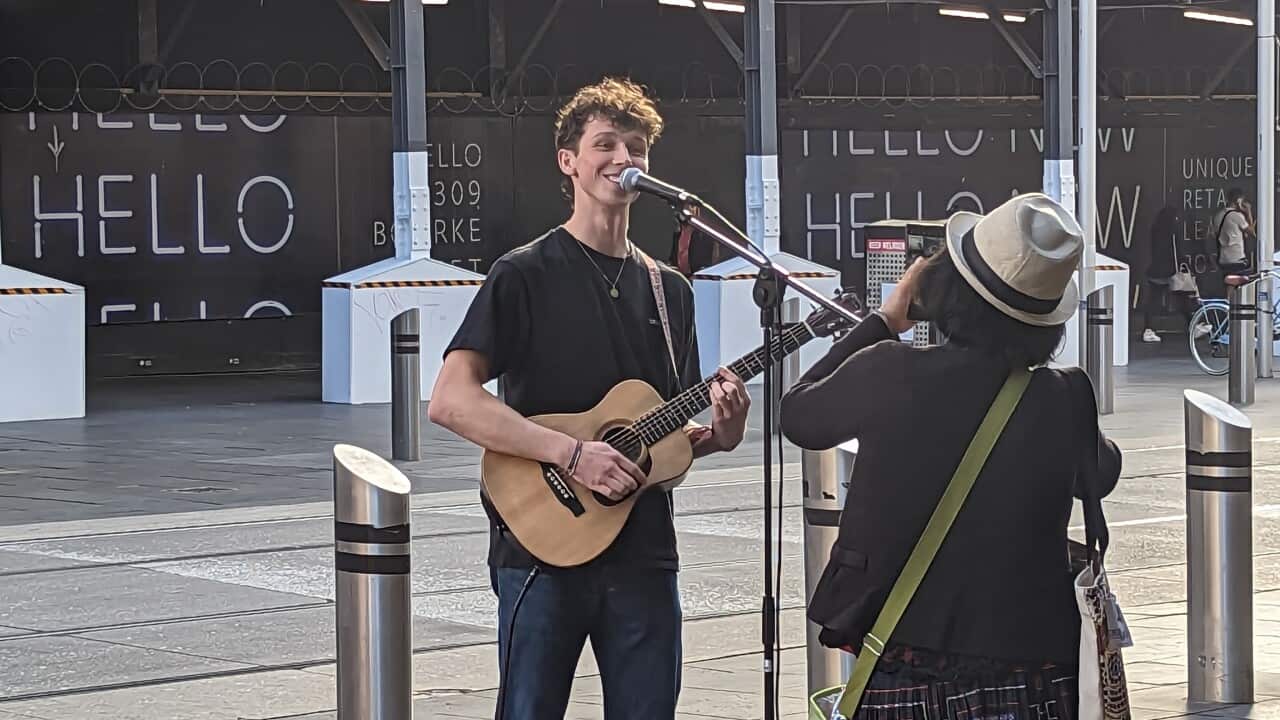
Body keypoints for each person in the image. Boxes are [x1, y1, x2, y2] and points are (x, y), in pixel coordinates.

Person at [427, 77, 751, 720]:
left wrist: (717, 436)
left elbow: (659, 432)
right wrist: (574, 455)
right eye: (606, 144)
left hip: (644, 552)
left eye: (636, 147)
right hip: (541, 549)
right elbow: (451, 400)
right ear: (568, 161)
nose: (623, 159)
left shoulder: (670, 291)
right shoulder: (524, 273)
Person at [781, 193, 1123, 720]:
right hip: (1030, 674)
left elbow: (800, 415)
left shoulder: (890, 370)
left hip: (906, 665)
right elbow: (1101, 474)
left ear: (946, 289)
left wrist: (882, 321)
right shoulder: (1064, 395)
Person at [1209, 188, 1255, 278]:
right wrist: (1248, 212)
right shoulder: (1237, 216)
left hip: (1223, 258)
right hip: (1237, 258)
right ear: (1238, 201)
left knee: (1229, 283)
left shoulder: (1218, 215)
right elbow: (1252, 232)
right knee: (1244, 281)